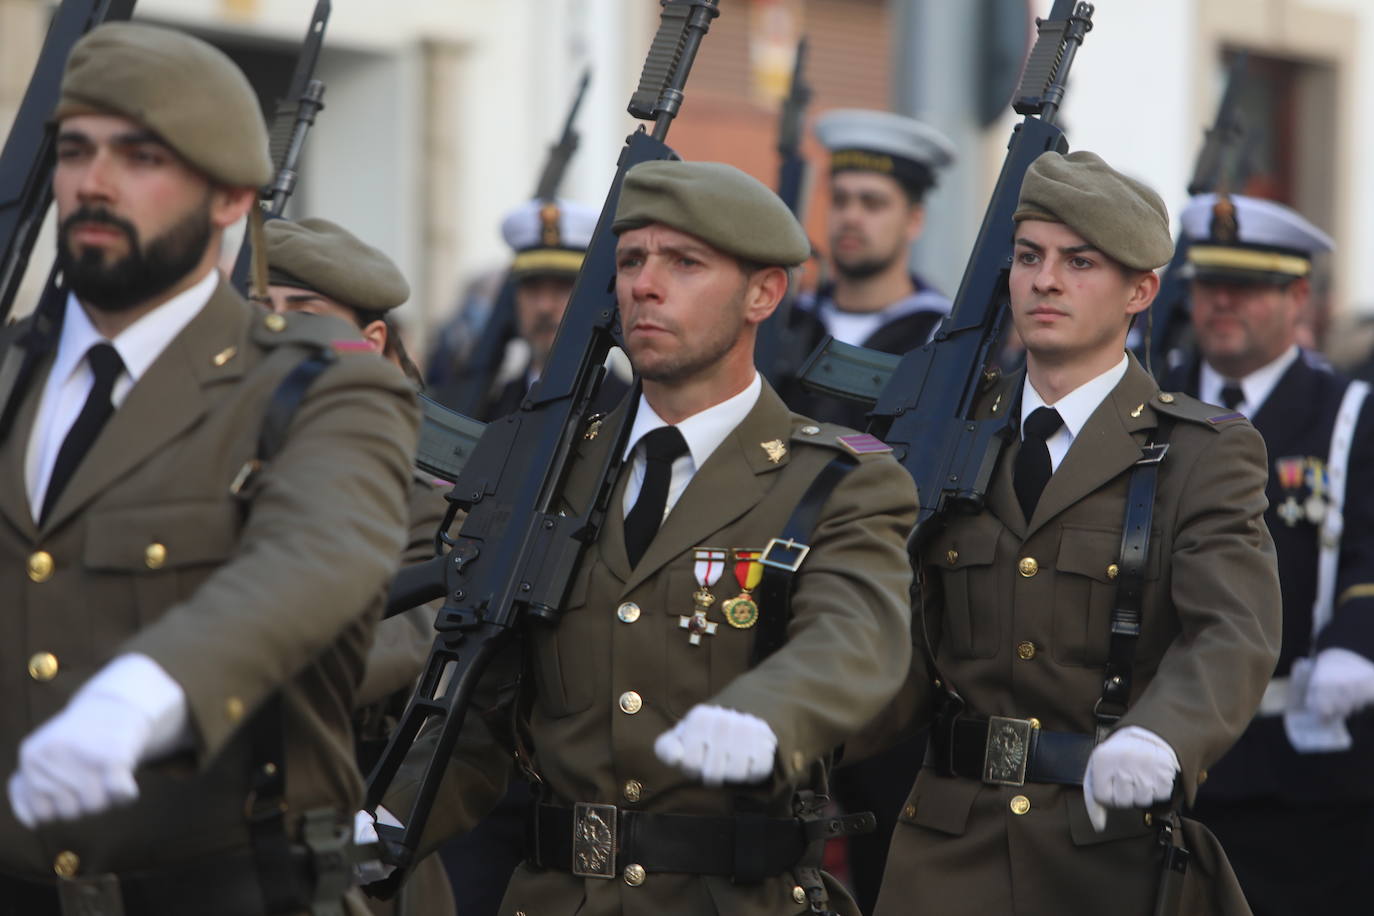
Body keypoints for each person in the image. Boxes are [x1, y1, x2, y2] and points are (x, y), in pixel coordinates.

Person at [378, 160, 918, 916]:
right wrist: (381, 828)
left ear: (763, 293)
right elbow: (480, 705)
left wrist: (770, 711)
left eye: (684, 263)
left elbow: (856, 635)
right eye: (631, 261)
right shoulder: (547, 477)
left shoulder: (838, 481)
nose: (644, 286)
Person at [0, 23, 419, 915]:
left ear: (231, 199)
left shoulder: (321, 386)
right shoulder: (10, 381)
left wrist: (152, 690)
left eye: (141, 156)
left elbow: (313, 560)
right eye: (75, 151)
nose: (95, 183)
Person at [869, 151, 1281, 915]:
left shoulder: (1200, 453)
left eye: (1079, 261)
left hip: (1108, 850)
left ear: (1141, 290)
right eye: (1029, 257)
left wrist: (1163, 736)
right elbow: (891, 645)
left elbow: (1233, 632)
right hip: (946, 854)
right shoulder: (949, 440)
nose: (1045, 281)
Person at [1164, 193, 1374, 915]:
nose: (1222, 301)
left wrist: (1358, 639)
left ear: (1297, 298)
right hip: (1165, 751)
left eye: (1247, 286)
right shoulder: (1152, 403)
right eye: (1209, 282)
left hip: (1300, 768)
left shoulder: (1350, 411)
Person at [264, 216, 457, 916]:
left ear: (370, 343)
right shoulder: (215, 467)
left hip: (354, 838)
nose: (280, 333)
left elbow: (416, 636)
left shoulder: (423, 492)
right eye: (263, 311)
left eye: (306, 315)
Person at [776, 108, 956, 428]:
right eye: (839, 200)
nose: (850, 217)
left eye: (872, 203)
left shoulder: (941, 336)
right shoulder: (785, 319)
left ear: (914, 220)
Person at [430, 198, 627, 421]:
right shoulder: (488, 411)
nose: (544, 306)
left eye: (563, 287)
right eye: (532, 288)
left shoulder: (630, 410)